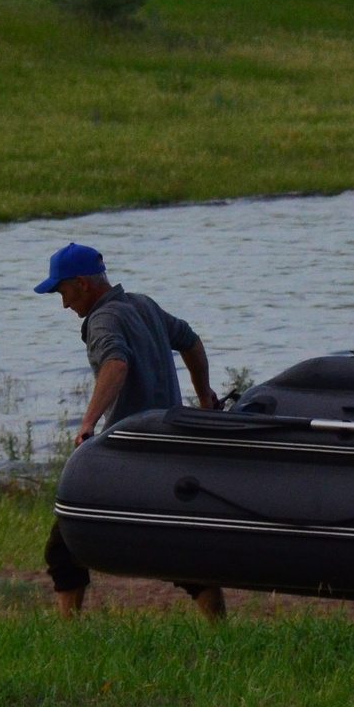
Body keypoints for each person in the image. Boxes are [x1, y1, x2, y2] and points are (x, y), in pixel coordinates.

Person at [35, 242, 228, 621]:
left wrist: (89, 423)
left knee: (65, 541)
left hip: (131, 451)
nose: (63, 304)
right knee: (180, 546)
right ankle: (219, 628)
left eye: (63, 292)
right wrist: (204, 396)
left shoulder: (103, 320)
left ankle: (67, 631)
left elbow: (116, 363)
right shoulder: (144, 305)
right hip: (170, 444)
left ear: (83, 284)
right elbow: (190, 340)